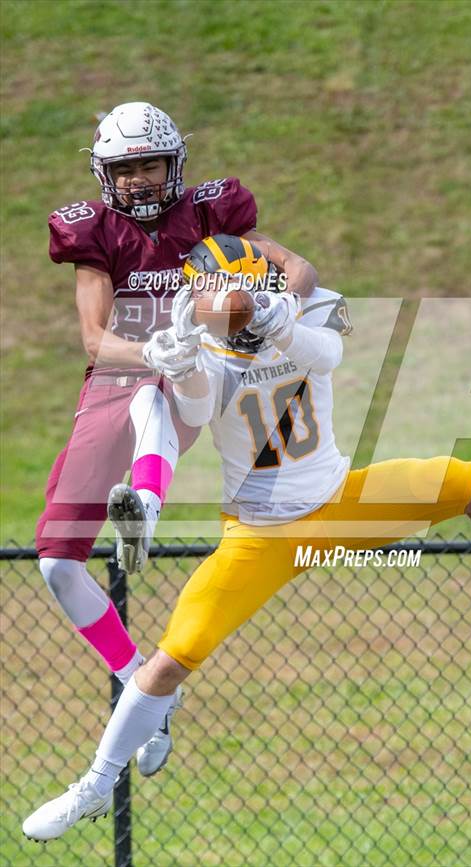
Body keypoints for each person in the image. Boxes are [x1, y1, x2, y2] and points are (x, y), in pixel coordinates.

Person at [23, 246, 471, 841]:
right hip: (259, 535)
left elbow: (328, 351)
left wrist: (276, 326)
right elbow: (197, 400)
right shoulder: (201, 350)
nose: (223, 302)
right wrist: (180, 364)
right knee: (171, 657)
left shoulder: (303, 310)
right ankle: (96, 785)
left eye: (232, 289)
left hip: (342, 504)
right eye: (212, 293)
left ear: (261, 284)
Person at [34, 102, 318, 777]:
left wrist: (285, 307)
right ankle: (146, 687)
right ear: (106, 174)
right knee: (56, 564)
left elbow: (295, 267)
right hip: (118, 378)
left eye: (149, 165)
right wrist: (150, 348)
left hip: (195, 375)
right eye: (124, 169)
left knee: (155, 398)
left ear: (175, 164)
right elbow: (95, 339)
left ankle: (147, 504)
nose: (137, 180)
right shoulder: (95, 233)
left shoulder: (207, 217)